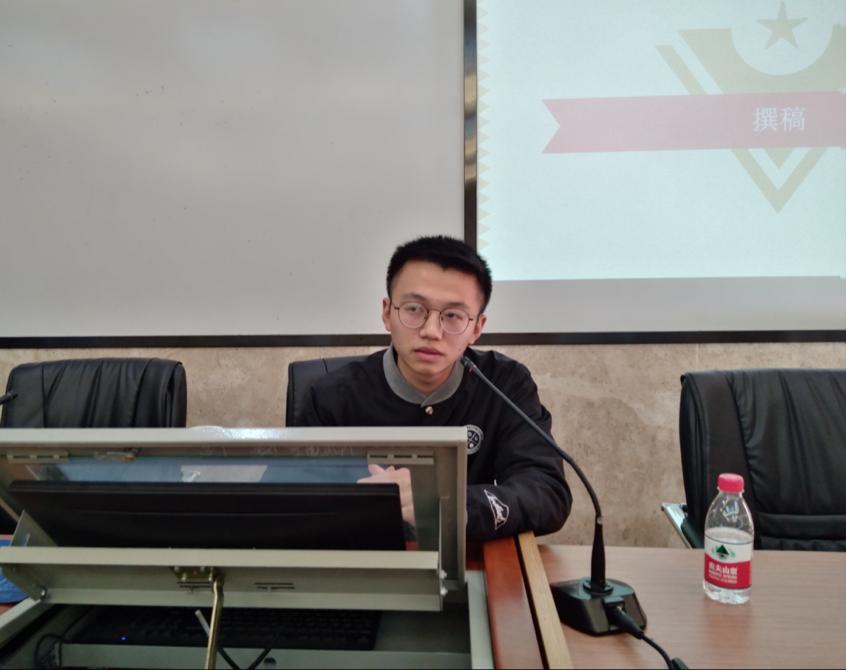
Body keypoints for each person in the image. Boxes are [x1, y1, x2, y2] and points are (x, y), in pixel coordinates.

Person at [300, 235, 571, 542]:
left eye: (453, 316)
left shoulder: (505, 384)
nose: (431, 331)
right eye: (414, 309)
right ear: (387, 313)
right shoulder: (331, 396)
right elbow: (296, 502)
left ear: (477, 328)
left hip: (468, 559)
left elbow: (547, 492)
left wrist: (449, 503)